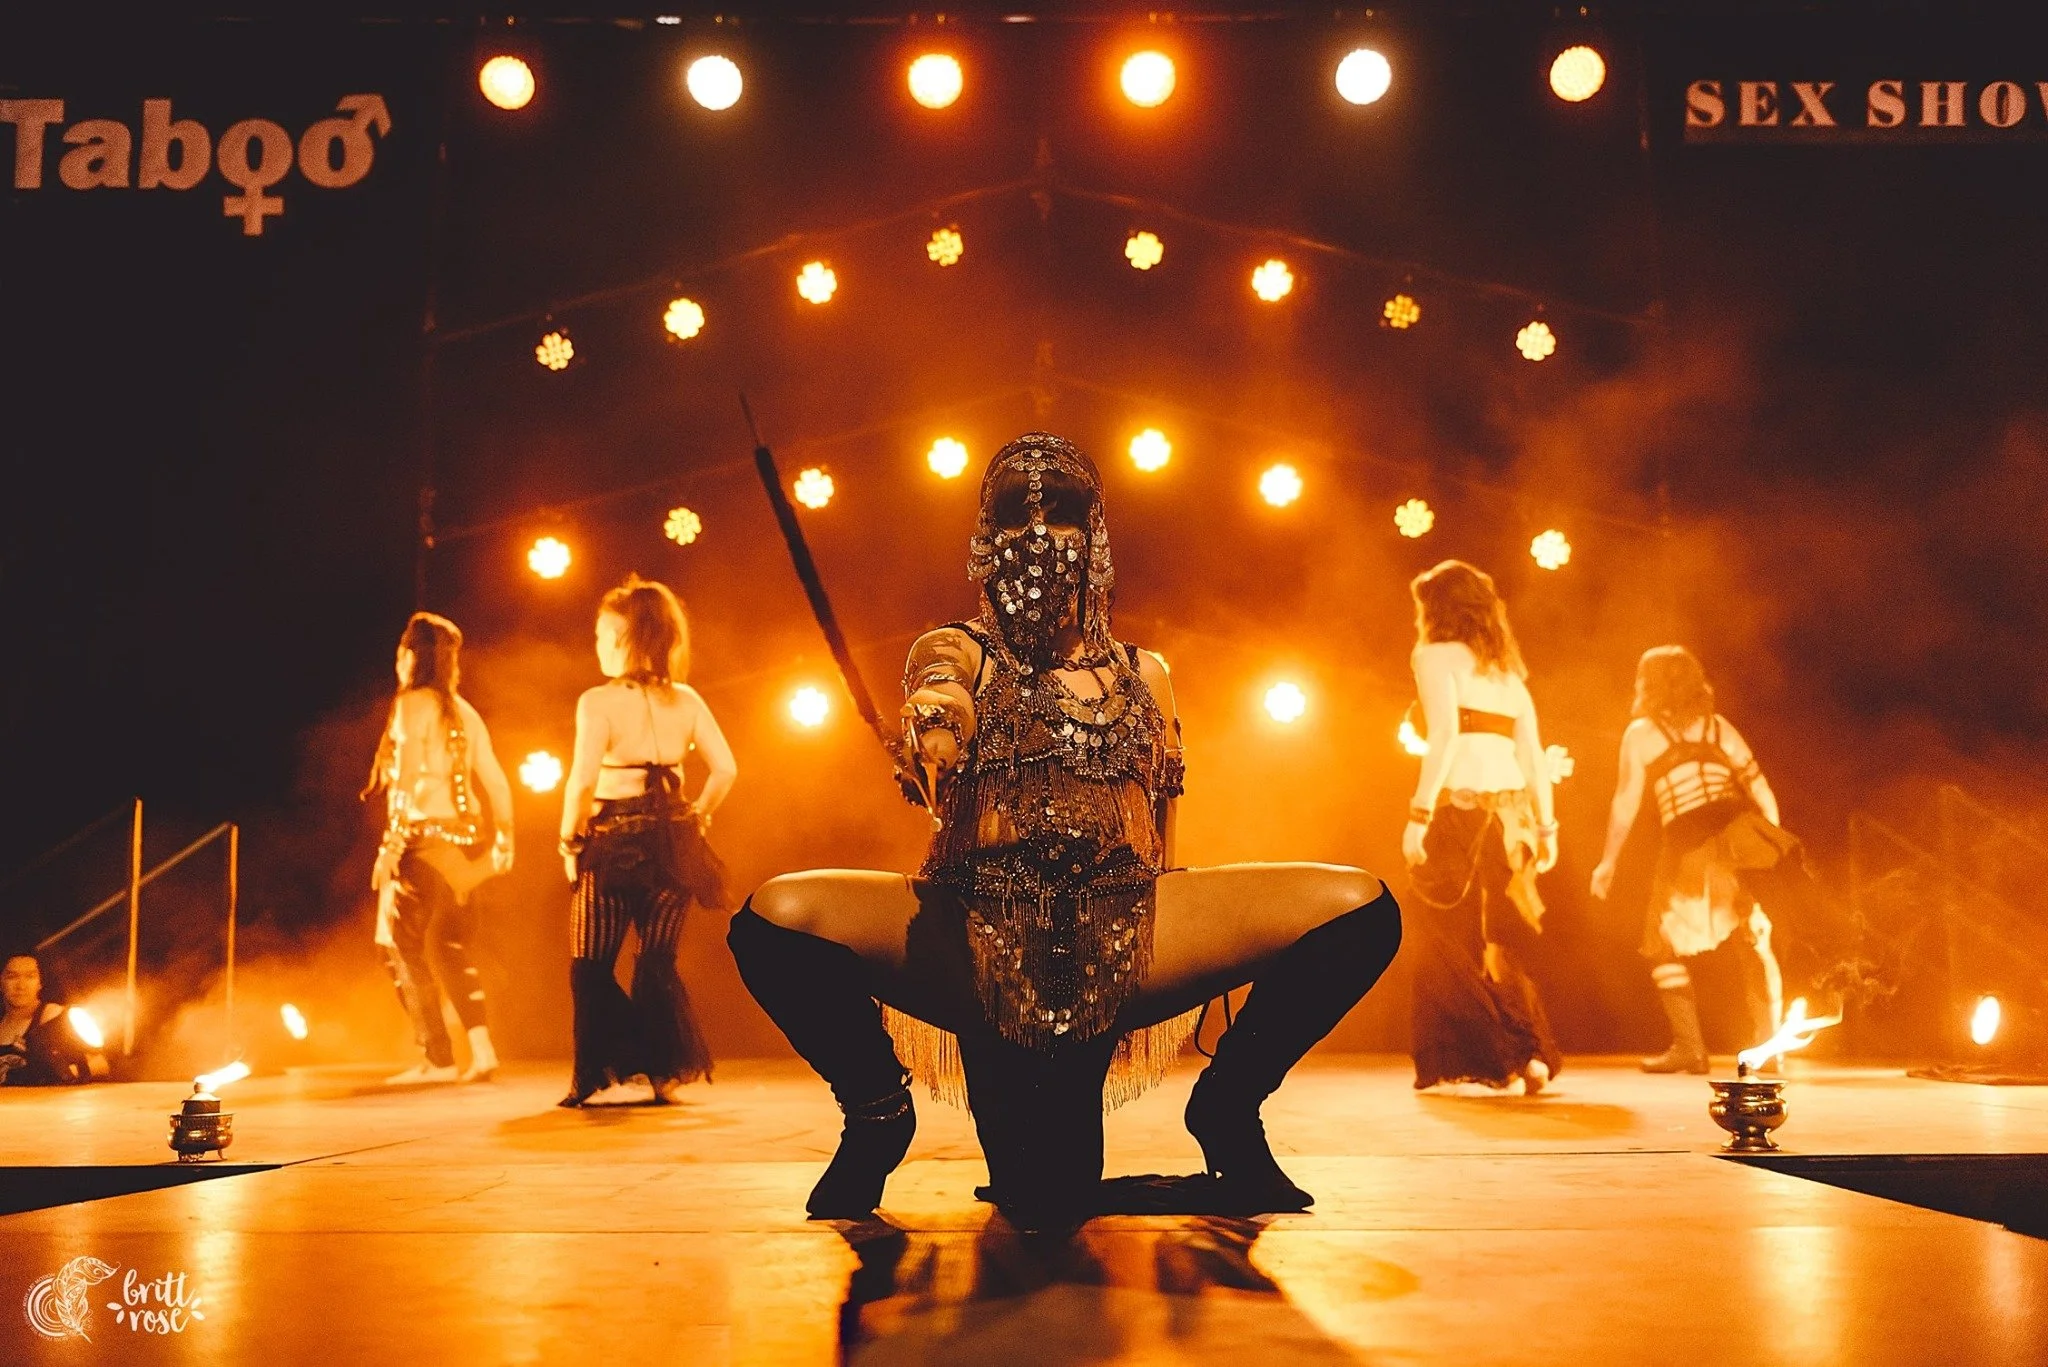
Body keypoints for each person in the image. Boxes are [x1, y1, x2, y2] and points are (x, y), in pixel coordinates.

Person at [726, 433, 1403, 1227]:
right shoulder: (961, 651)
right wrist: (933, 725)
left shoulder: (1147, 673)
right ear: (986, 539)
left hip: (1128, 929)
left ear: (1097, 537)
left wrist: (1174, 896)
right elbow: (938, 688)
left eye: (1063, 515)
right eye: (1016, 515)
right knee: (775, 920)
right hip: (978, 935)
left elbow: (1164, 814)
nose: (1039, 534)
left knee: (1361, 908)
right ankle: (876, 1112)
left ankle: (1228, 1105)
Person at [557, 575, 736, 1107]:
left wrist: (568, 840)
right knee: (655, 962)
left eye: (600, 635)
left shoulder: (598, 701)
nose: (597, 647)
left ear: (621, 637)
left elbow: (584, 780)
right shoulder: (686, 699)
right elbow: (725, 769)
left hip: (613, 843)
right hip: (675, 845)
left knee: (590, 964)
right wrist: (697, 817)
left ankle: (596, 1074)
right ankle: (660, 1073)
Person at [1590, 645, 1799, 1073]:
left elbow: (1625, 802)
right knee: (1751, 939)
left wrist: (1608, 861)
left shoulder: (1642, 734)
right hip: (1737, 836)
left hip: (1689, 842)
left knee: (1661, 942)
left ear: (1648, 684)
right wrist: (1770, 848)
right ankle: (1770, 1046)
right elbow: (1760, 791)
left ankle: (1690, 1047)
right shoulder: (1720, 728)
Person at [1400, 561, 1563, 1095]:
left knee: (1442, 940)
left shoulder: (1433, 655)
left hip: (1462, 810)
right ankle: (1533, 1053)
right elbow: (1533, 756)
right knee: (1499, 940)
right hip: (1514, 815)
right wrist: (1547, 828)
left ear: (1437, 609)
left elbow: (1444, 738)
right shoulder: (1507, 673)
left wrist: (1419, 815)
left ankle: (1501, 1057)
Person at [363, 612, 515, 1085]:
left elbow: (406, 783)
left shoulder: (413, 705)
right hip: (464, 843)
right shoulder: (465, 712)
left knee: (399, 947)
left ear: (410, 656)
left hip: (423, 840)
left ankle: (437, 1057)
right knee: (446, 946)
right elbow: (495, 780)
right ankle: (482, 1051)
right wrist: (505, 839)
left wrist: (389, 848)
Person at [0, 953, 110, 1086]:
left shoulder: (54, 1016)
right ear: (1, 981)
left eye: (30, 976)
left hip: (48, 1103)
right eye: (12, 976)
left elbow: (101, 1063)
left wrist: (61, 1075)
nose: (21, 986)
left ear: (40, 983)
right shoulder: (2, 1021)